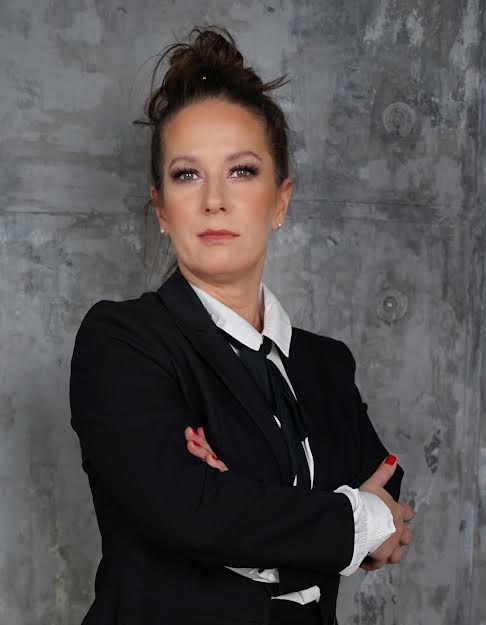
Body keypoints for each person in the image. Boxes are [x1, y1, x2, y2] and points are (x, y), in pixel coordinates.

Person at [69, 25, 415, 625]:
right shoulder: (121, 342)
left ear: (280, 200)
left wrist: (250, 514)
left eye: (242, 171)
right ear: (161, 208)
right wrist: (346, 523)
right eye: (187, 174)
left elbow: (385, 493)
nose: (214, 200)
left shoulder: (325, 363)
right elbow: (191, 514)